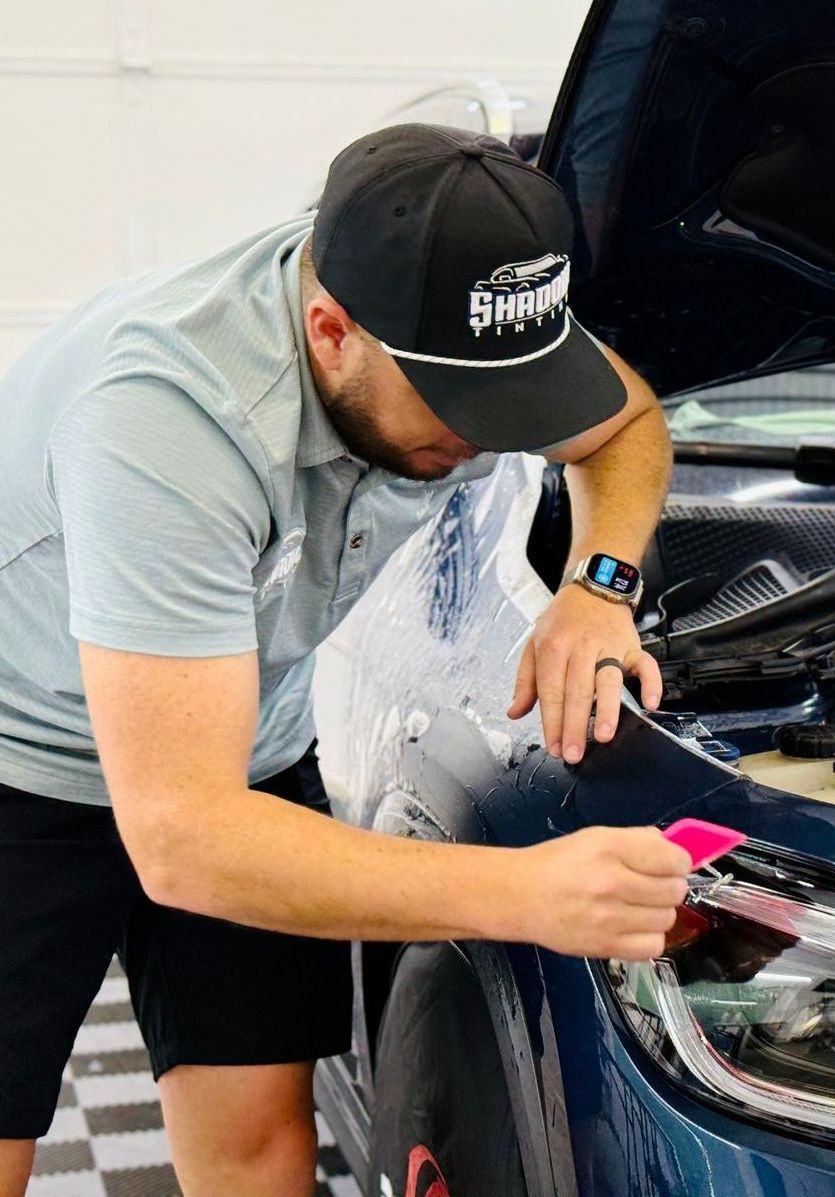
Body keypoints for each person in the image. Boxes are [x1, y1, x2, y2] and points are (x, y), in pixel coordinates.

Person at [0, 124, 689, 1197]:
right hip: (20, 752)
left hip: (239, 740)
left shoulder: (465, 311)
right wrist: (524, 893)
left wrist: (597, 589)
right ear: (330, 332)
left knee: (262, 1151)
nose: (486, 436)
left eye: (514, 399)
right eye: (459, 405)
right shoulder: (165, 422)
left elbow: (622, 420)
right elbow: (186, 841)